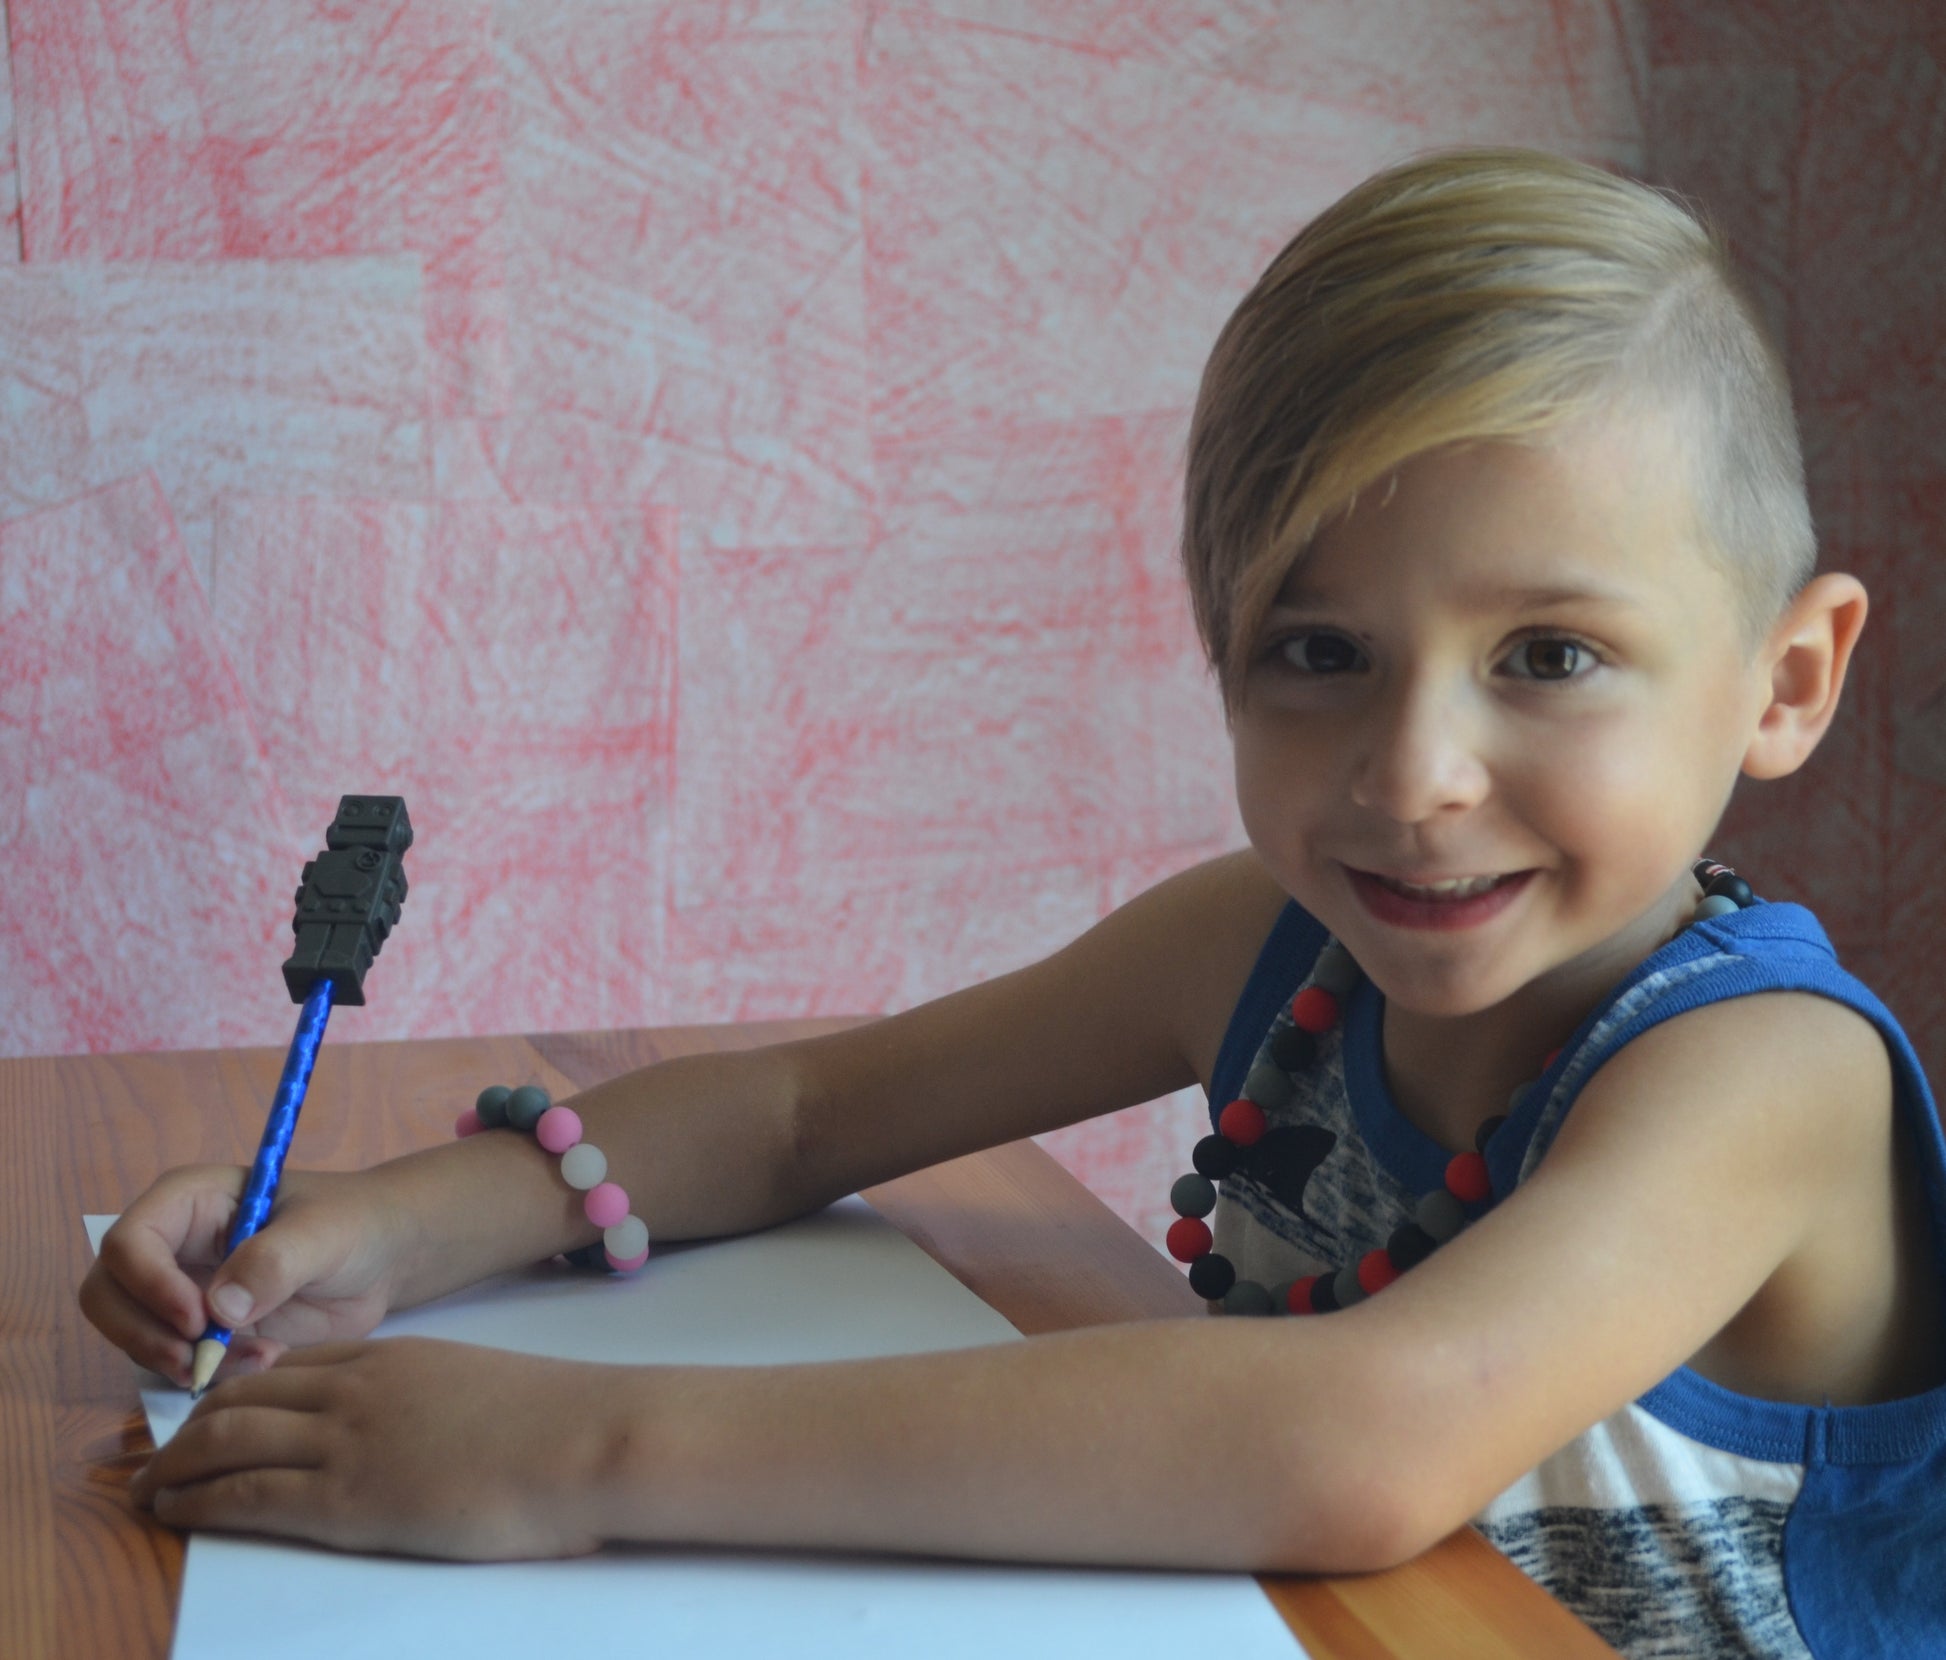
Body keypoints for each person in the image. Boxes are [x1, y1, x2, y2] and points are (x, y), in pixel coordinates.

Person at [81, 147, 1946, 1657]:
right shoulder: (1267, 951)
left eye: (1546, 651)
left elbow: (1363, 1436)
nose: (1410, 774)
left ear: (1785, 679)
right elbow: (817, 1108)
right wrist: (398, 1228)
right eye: (1317, 649)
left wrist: (573, 1451)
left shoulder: (1764, 1075)